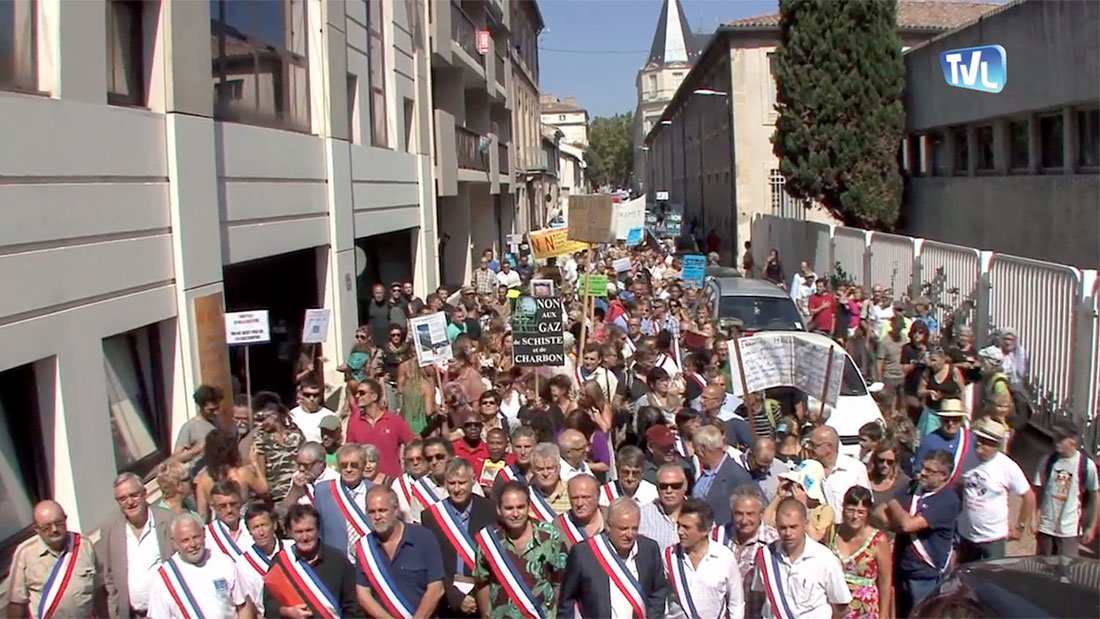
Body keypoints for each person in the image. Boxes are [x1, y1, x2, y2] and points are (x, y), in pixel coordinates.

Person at [877, 450, 961, 616]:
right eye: (923, 468)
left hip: (926, 574)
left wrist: (893, 503)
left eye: (930, 471)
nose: (923, 473)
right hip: (901, 567)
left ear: (944, 476)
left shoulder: (947, 500)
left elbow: (908, 525)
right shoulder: (913, 488)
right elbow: (878, 513)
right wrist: (898, 523)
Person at [559, 497, 671, 618]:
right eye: (623, 528)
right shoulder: (584, 553)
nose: (629, 535)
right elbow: (567, 601)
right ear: (608, 526)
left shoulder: (649, 549)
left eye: (634, 528)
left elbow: (658, 590)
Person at [472, 481, 569, 619]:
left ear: (528, 506)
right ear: (499, 509)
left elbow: (560, 582)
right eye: (509, 508)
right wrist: (485, 615)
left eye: (520, 507)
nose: (515, 514)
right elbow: (482, 582)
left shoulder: (551, 536)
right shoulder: (488, 539)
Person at [751, 498, 852, 619]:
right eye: (783, 528)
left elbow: (841, 604)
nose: (788, 533)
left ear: (805, 524)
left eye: (793, 527)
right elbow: (759, 595)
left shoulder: (825, 559)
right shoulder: (766, 556)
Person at [354, 486, 445, 619]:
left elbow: (436, 588)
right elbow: (363, 594)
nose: (377, 517)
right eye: (372, 512)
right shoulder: (365, 547)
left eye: (383, 510)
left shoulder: (424, 538)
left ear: (396, 510)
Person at [420, 459, 496, 617]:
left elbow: (495, 560)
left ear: (473, 480)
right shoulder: (431, 516)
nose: (456, 489)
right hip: (446, 602)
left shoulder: (490, 511)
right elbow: (432, 564)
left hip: (482, 600)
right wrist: (455, 597)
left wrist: (479, 596)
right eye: (451, 483)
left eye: (461, 483)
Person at [8, 500, 105, 619]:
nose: (54, 529)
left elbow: (99, 590)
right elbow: (17, 603)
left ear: (65, 519)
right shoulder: (25, 553)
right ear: (36, 529)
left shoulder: (83, 545)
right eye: (46, 527)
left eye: (59, 523)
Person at [957, 417, 1035, 564]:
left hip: (992, 539)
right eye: (979, 439)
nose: (979, 444)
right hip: (966, 536)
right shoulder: (967, 458)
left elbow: (1028, 496)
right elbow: (959, 486)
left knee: (992, 578)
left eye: (985, 442)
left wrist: (1020, 527)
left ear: (996, 445)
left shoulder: (1006, 466)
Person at [96, 473, 175, 618]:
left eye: (134, 495)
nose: (130, 502)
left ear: (145, 493)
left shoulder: (168, 520)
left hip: (167, 613)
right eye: (122, 499)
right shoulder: (110, 528)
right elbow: (108, 576)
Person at [264, 504, 363, 618]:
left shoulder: (339, 561)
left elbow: (353, 608)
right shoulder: (280, 563)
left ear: (318, 529)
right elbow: (269, 606)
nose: (305, 537)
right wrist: (287, 611)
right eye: (299, 532)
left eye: (309, 530)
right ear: (290, 532)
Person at [148, 513, 247, 618]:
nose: (193, 544)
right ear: (174, 542)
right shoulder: (164, 578)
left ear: (204, 534)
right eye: (185, 540)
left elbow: (244, 607)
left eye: (196, 537)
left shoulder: (224, 561)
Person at [665, 498, 745, 619]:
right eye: (679, 526)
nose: (680, 532)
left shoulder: (724, 558)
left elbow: (736, 603)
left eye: (687, 527)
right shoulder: (669, 556)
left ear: (705, 530)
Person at [1032, 419, 1099, 557]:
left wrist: (1091, 527)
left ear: (1073, 440)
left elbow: (1095, 495)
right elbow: (1038, 490)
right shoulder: (1047, 461)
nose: (1056, 441)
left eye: (1061, 438)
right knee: (1044, 569)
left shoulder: (1085, 465)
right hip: (1046, 528)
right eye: (1055, 437)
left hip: (1070, 531)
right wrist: (1034, 517)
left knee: (1067, 571)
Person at [826, 487, 893, 619]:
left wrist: (885, 613)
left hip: (864, 609)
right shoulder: (832, 532)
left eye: (861, 512)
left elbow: (885, 581)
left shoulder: (878, 540)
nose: (855, 516)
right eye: (850, 510)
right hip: (834, 607)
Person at [313, 444, 374, 564]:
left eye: (354, 465)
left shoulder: (375, 491)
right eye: (344, 465)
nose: (349, 469)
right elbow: (318, 530)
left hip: (369, 563)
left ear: (364, 465)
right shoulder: (323, 491)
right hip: (335, 563)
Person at [234, 502, 291, 617]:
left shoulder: (292, 548)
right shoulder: (242, 564)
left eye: (264, 525)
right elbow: (248, 605)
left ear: (274, 525)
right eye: (255, 527)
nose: (261, 532)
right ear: (249, 531)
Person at [808, 425, 871, 523]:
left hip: (845, 532)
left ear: (829, 447)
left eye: (814, 445)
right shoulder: (808, 468)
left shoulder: (855, 468)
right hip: (815, 532)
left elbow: (866, 505)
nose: (809, 448)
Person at [764, 460, 835, 542]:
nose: (793, 489)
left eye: (799, 486)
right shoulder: (784, 505)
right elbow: (765, 525)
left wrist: (801, 505)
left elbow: (815, 538)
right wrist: (778, 496)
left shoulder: (824, 510)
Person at [911, 398, 977, 483]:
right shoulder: (929, 440)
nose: (951, 423)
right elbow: (918, 470)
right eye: (946, 420)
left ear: (961, 420)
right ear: (940, 420)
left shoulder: (971, 439)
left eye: (955, 420)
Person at [173, 384, 224, 465]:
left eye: (217, 408)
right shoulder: (189, 426)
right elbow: (176, 458)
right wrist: (197, 450)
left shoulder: (217, 422)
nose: (216, 412)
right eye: (211, 410)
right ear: (201, 406)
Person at [204, 480, 254, 560]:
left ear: (241, 503)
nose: (229, 510)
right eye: (222, 506)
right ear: (213, 507)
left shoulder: (254, 528)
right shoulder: (206, 535)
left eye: (233, 504)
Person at [555, 474, 607, 547]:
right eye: (575, 498)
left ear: (598, 496)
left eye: (585, 497)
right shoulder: (559, 525)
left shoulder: (613, 518)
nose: (579, 504)